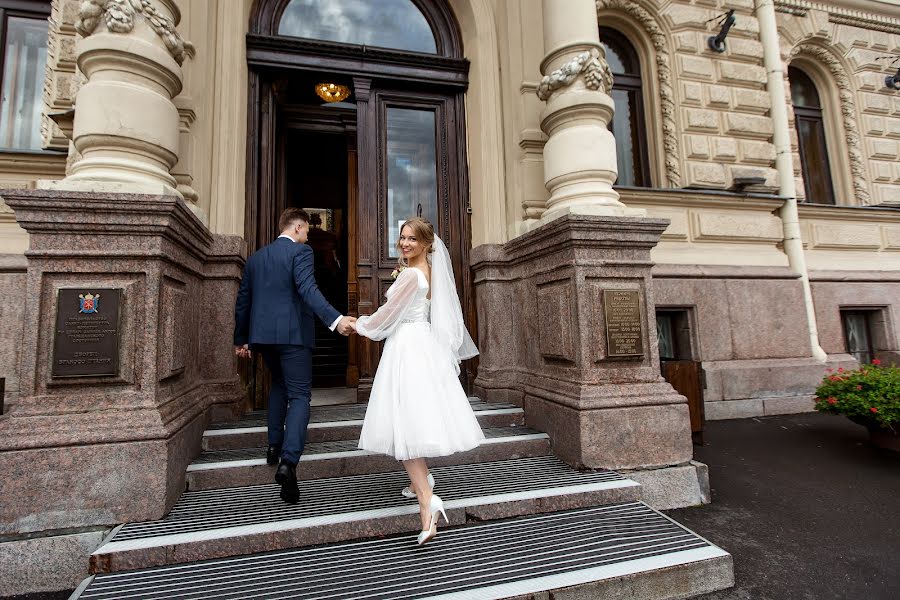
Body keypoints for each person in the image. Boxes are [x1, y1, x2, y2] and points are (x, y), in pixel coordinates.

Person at [351, 217, 484, 545]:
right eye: (402, 238)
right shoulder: (427, 274)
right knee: (412, 417)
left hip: (407, 348)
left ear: (427, 244)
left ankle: (427, 500)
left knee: (405, 423)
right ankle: (418, 486)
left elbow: (387, 315)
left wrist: (359, 325)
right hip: (421, 345)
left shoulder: (411, 275)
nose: (405, 243)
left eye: (412, 239)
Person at [233, 208, 356, 504]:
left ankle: (273, 447)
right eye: (307, 232)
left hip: (263, 336)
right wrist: (335, 319)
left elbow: (243, 301)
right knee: (300, 395)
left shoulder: (256, 258)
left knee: (279, 385)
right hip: (293, 336)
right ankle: (289, 461)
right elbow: (308, 289)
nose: (307, 237)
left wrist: (242, 339)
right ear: (298, 227)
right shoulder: (301, 253)